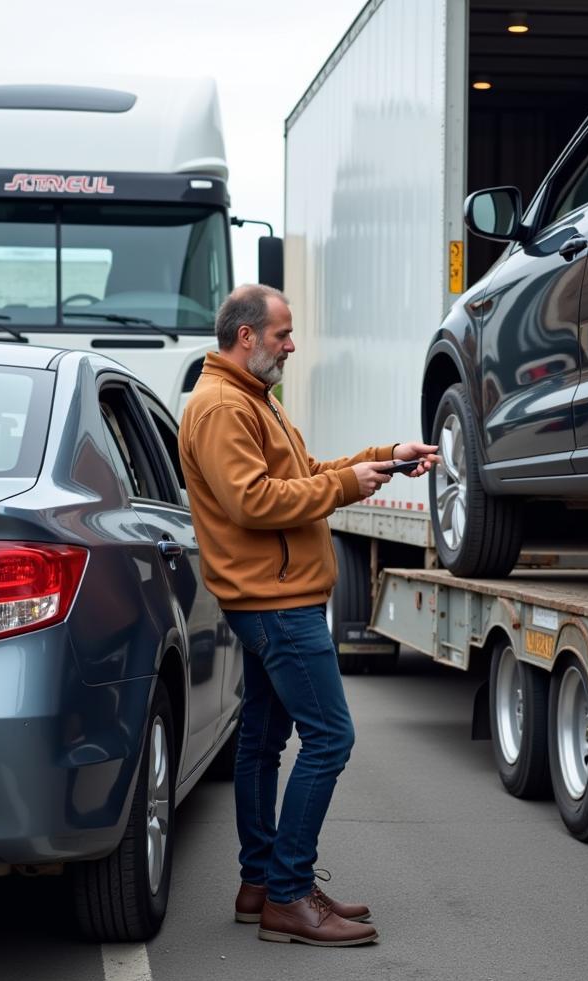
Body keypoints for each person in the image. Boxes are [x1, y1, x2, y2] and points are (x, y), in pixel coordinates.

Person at [178, 284, 437, 947]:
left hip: (277, 597)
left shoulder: (253, 400)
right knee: (331, 738)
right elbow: (255, 503)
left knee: (263, 744)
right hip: (277, 605)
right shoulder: (221, 409)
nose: (292, 346)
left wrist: (381, 460)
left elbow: (309, 473)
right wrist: (348, 485)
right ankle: (289, 894)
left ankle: (261, 883)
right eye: (283, 334)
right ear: (245, 337)